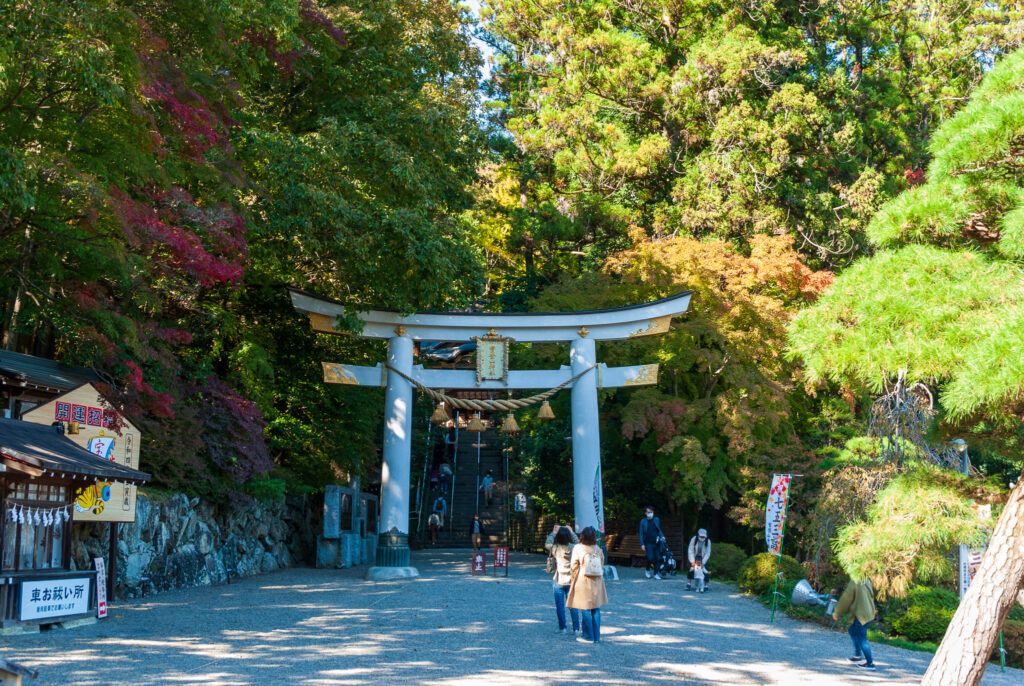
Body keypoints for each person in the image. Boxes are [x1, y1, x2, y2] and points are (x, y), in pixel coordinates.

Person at [567, 526, 608, 644]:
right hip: (597, 581)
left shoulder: (578, 548)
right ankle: (596, 636)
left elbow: (574, 565)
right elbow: (602, 562)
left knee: (585, 608)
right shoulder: (597, 548)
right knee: (596, 608)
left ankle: (588, 636)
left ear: (582, 536)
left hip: (583, 580)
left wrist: (574, 577)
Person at [833, 578, 877, 671]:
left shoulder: (855, 581)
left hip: (862, 615)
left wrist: (837, 613)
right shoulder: (866, 580)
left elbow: (846, 599)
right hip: (868, 612)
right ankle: (857, 656)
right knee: (852, 630)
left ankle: (870, 663)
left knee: (862, 638)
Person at [545, 524, 580, 635]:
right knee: (573, 605)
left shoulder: (555, 548)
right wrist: (572, 532)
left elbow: (547, 544)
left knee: (560, 605)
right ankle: (576, 629)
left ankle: (563, 628)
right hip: (571, 580)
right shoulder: (574, 548)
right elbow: (579, 543)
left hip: (559, 580)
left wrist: (553, 533)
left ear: (558, 537)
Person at [638, 506, 665, 579]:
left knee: (658, 558)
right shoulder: (643, 521)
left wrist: (662, 536)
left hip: (657, 542)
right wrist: (642, 544)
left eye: (651, 512)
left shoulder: (656, 519)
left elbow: (659, 530)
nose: (650, 514)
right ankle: (647, 569)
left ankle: (656, 573)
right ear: (645, 513)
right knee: (650, 558)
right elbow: (641, 533)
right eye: (648, 512)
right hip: (648, 543)